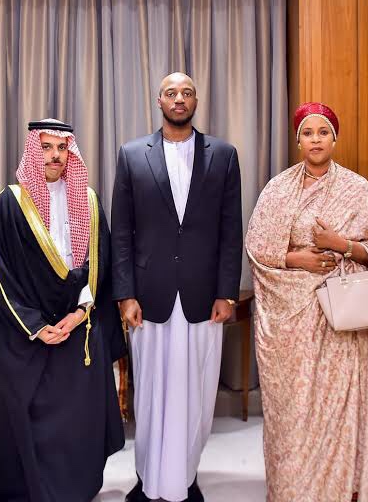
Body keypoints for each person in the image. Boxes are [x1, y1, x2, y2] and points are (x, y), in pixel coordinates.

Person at [245, 103, 368, 502]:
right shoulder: (278, 189)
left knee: (339, 410)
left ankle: (342, 489)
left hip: (343, 325)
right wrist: (296, 259)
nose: (315, 140)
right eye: (307, 133)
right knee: (296, 410)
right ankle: (294, 490)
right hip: (293, 327)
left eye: (323, 133)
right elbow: (258, 248)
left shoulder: (357, 189)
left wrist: (342, 245)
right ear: (297, 140)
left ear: (335, 139)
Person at [111, 73, 243, 502]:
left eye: (186, 93)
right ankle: (148, 479)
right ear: (159, 101)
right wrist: (125, 294)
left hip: (204, 298)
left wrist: (226, 292)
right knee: (151, 393)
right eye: (171, 93)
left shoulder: (223, 155)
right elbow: (122, 233)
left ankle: (185, 477)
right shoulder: (132, 154)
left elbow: (231, 231)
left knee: (197, 395)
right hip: (149, 298)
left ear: (196, 101)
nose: (179, 99)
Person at [0, 118, 126, 502]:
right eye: (46, 147)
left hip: (78, 324)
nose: (55, 155)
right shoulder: (8, 205)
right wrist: (36, 326)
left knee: (77, 420)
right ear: (34, 150)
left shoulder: (89, 201)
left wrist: (80, 312)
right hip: (28, 333)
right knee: (29, 418)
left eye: (62, 148)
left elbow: (100, 263)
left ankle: (76, 490)